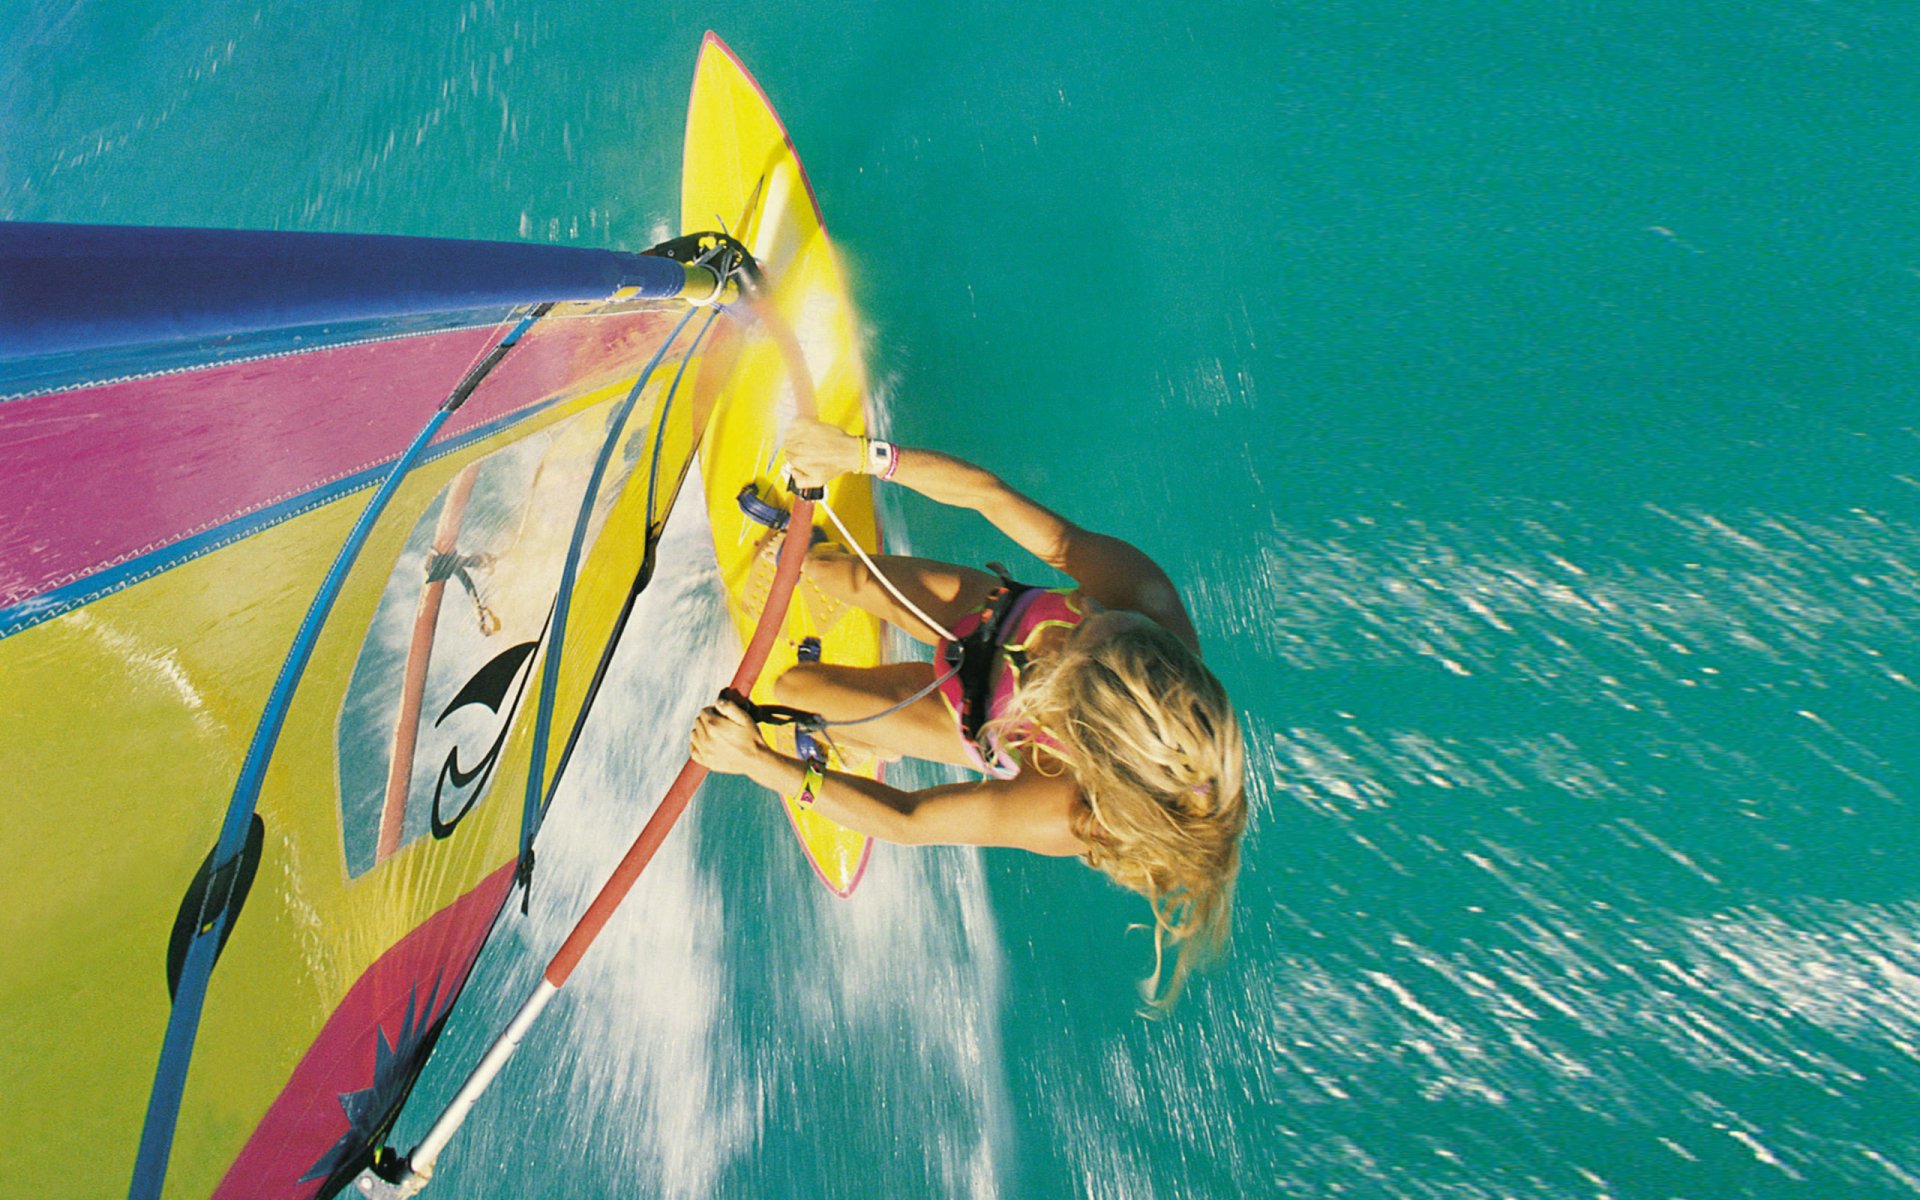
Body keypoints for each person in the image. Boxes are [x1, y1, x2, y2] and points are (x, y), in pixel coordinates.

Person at [690, 418, 1246, 1008]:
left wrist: (756, 761)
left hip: (978, 713)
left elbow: (909, 818)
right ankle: (820, 573)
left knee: (797, 687)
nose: (1078, 621)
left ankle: (870, 737)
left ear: (1073, 721)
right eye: (1097, 617)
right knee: (824, 567)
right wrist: (858, 455)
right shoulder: (1145, 595)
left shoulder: (1060, 809)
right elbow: (991, 496)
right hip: (992, 615)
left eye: (1072, 649)